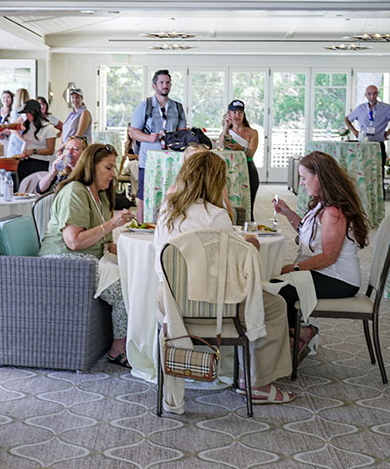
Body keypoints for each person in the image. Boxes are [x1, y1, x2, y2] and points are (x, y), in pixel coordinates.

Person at [154, 150, 295, 405]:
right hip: (210, 304)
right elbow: (229, 268)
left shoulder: (167, 209)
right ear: (217, 182)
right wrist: (246, 245)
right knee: (275, 306)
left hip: (171, 301)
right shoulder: (216, 216)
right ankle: (257, 383)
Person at [38, 143, 134, 365]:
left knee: (134, 275)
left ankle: (135, 341)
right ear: (91, 165)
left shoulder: (100, 195)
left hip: (88, 260)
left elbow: (105, 243)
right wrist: (112, 224)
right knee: (124, 288)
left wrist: (133, 256)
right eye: (108, 167)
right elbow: (74, 241)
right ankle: (118, 350)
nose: (114, 174)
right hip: (64, 261)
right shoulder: (75, 191)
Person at [272, 151, 370, 363]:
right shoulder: (322, 203)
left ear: (319, 177)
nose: (302, 183)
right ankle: (296, 335)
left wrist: (295, 268)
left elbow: (328, 257)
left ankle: (299, 335)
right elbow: (308, 232)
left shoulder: (333, 212)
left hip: (340, 279)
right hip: (327, 272)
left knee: (280, 289)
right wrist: (287, 213)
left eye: (304, 177)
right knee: (277, 284)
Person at [128, 70, 187, 222]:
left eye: (168, 82)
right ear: (154, 85)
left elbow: (182, 132)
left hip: (172, 162)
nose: (165, 85)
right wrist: (148, 138)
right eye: (161, 82)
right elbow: (133, 132)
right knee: (144, 198)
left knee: (173, 197)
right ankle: (142, 228)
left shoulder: (178, 107)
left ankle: (168, 228)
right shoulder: (145, 106)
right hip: (149, 161)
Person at [218, 99, 259, 220]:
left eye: (240, 112)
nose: (237, 115)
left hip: (247, 168)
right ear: (229, 114)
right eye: (234, 112)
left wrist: (241, 148)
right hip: (231, 170)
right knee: (230, 203)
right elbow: (221, 146)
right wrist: (226, 126)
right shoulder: (227, 132)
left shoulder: (252, 132)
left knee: (248, 204)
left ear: (243, 114)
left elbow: (251, 153)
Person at [344, 85, 390, 166]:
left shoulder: (386, 108)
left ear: (378, 94)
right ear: (365, 95)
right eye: (369, 94)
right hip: (363, 145)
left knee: (379, 170)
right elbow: (346, 119)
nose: (372, 96)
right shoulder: (361, 108)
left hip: (378, 144)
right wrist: (354, 131)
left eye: (374, 93)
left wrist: (389, 131)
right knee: (362, 169)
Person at [16, 99, 58, 183]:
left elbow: (50, 150)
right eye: (26, 113)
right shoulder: (29, 125)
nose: (27, 115)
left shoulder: (48, 128)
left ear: (36, 112)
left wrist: (34, 151)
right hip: (25, 162)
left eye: (29, 112)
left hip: (40, 163)